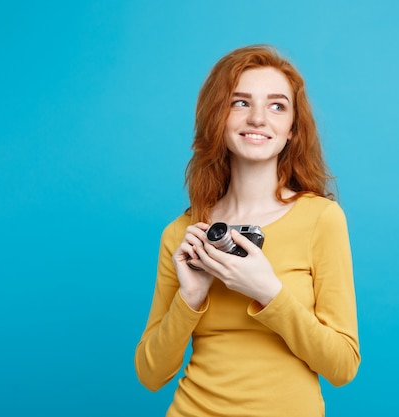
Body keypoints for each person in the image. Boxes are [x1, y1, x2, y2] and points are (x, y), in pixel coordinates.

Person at [135, 44, 360, 417]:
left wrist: (267, 292)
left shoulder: (322, 218)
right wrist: (189, 299)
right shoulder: (182, 234)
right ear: (216, 118)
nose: (258, 118)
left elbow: (342, 366)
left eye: (277, 106)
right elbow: (151, 374)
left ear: (292, 129)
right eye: (240, 102)